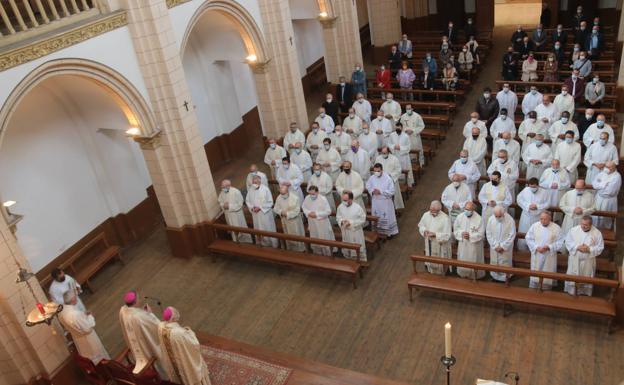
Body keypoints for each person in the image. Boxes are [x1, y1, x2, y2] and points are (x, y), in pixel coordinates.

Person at [158, 307, 212, 385]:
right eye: (176, 313)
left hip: (173, 362)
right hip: (183, 360)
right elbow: (194, 343)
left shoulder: (161, 327)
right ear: (173, 318)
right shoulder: (180, 333)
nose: (178, 313)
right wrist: (190, 332)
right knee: (189, 370)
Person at [119, 291, 167, 378]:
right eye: (139, 298)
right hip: (146, 345)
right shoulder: (139, 317)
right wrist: (150, 313)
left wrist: (142, 312)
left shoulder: (123, 311)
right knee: (157, 355)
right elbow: (156, 326)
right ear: (135, 302)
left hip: (137, 343)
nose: (140, 300)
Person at [59, 294, 109, 365]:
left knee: (89, 358)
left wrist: (83, 315)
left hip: (79, 340)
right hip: (88, 339)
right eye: (75, 296)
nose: (76, 298)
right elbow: (87, 328)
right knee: (99, 358)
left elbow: (75, 324)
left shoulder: (62, 312)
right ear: (73, 299)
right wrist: (90, 316)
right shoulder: (75, 314)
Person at [564, 216, 604, 296]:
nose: (583, 226)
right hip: (575, 258)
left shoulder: (597, 233)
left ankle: (584, 293)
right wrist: (577, 247)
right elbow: (567, 242)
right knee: (573, 275)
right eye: (582, 224)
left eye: (585, 225)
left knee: (586, 276)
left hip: (588, 261)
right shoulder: (573, 230)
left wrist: (589, 249)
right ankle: (571, 291)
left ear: (591, 225)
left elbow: (600, 247)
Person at [525, 211, 563, 289]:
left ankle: (546, 289)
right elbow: (528, 238)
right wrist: (536, 247)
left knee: (547, 272)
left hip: (549, 254)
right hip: (537, 253)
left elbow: (560, 241)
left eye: (545, 219)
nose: (543, 221)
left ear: (550, 218)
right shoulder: (535, 226)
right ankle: (534, 287)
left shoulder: (556, 228)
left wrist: (549, 247)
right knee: (536, 271)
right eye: (541, 219)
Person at [418, 201, 452, 275]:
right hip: (429, 242)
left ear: (439, 210)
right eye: (431, 210)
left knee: (440, 265)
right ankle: (431, 274)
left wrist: (436, 234)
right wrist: (424, 231)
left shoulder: (445, 218)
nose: (432, 212)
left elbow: (447, 235)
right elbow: (421, 225)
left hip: (440, 245)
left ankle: (442, 277)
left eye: (435, 211)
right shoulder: (426, 215)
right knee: (430, 261)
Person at [453, 201, 485, 279]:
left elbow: (481, 234)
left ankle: (475, 276)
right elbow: (455, 229)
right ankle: (463, 274)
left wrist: (470, 236)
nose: (467, 211)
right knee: (463, 259)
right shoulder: (459, 217)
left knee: (474, 259)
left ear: (473, 210)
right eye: (466, 209)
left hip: (474, 245)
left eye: (469, 210)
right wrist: (461, 234)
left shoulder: (479, 219)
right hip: (463, 244)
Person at [366, 163, 398, 237]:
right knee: (376, 216)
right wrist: (372, 191)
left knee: (387, 217)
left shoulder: (388, 179)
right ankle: (377, 233)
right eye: (375, 171)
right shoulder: (372, 178)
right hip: (376, 201)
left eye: (378, 171)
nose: (376, 173)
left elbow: (392, 191)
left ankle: (388, 233)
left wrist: (381, 192)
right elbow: (368, 185)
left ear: (382, 170)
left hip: (385, 202)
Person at [517, 178, 549, 250]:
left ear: (538, 185)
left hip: (538, 217)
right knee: (524, 233)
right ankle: (522, 250)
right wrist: (528, 206)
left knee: (535, 235)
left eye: (534, 187)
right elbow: (519, 199)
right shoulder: (525, 190)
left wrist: (538, 206)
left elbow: (547, 203)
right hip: (526, 216)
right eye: (531, 187)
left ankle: (535, 249)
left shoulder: (544, 192)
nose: (532, 189)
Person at [245, 176, 278, 247]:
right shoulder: (251, 190)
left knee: (267, 229)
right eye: (253, 182)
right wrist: (252, 208)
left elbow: (270, 202)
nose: (254, 184)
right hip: (256, 215)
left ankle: (272, 245)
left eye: (255, 182)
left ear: (259, 182)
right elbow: (247, 201)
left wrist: (260, 208)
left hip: (264, 215)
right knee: (258, 229)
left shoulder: (265, 189)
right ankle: (261, 245)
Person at [486, 206, 516, 282]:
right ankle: (495, 277)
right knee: (494, 262)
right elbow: (488, 233)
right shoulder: (491, 219)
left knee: (505, 262)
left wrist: (503, 246)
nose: (498, 218)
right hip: (494, 247)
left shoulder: (510, 220)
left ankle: (505, 278)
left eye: (500, 216)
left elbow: (512, 235)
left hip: (505, 247)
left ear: (504, 213)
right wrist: (495, 245)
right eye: (496, 216)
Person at [302, 186, 335, 256]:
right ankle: (317, 255)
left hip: (322, 223)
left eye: (313, 194)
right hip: (312, 223)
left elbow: (328, 211)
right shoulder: (307, 198)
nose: (311, 195)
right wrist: (308, 213)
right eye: (310, 194)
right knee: (315, 237)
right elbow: (303, 207)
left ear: (317, 192)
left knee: (324, 238)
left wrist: (317, 214)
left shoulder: (323, 199)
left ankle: (328, 255)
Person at [336, 192, 367, 261]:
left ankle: (359, 260)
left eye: (345, 200)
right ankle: (349, 260)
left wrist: (350, 223)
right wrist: (341, 222)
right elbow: (338, 217)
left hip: (355, 232)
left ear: (351, 199)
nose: (344, 202)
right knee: (347, 246)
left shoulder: (357, 207)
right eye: (343, 200)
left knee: (356, 245)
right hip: (346, 232)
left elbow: (362, 219)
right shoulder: (340, 207)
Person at [273, 185, 305, 252]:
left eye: (283, 194)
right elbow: (275, 208)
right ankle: (290, 250)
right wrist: (281, 212)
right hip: (285, 221)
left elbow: (297, 210)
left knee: (296, 236)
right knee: (288, 236)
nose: (282, 195)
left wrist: (287, 214)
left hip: (294, 222)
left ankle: (300, 250)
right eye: (281, 193)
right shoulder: (279, 197)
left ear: (287, 191)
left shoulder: (295, 198)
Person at [592, 161, 621, 229]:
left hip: (608, 200)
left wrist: (599, 185)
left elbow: (609, 191)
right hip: (599, 198)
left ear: (614, 167)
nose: (606, 168)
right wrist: (604, 184)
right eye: (606, 166)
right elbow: (594, 184)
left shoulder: (617, 177)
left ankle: (606, 231)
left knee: (606, 218)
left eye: (608, 167)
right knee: (595, 216)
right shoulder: (602, 173)